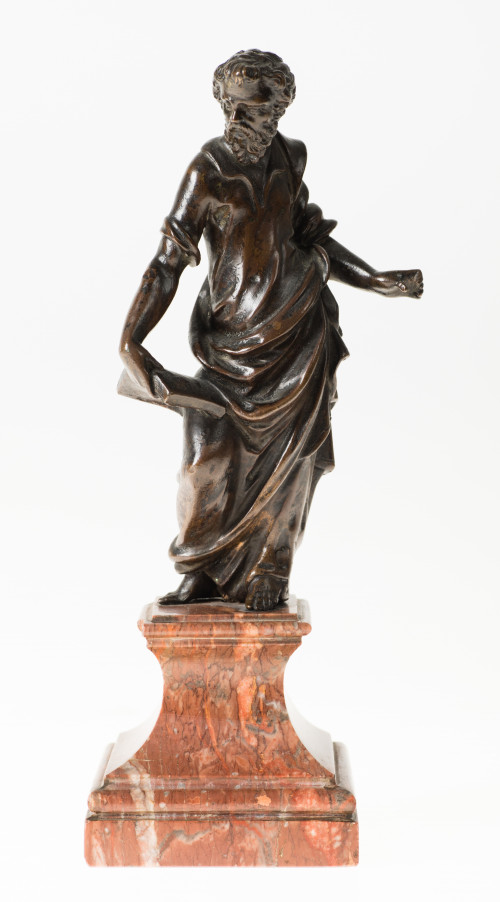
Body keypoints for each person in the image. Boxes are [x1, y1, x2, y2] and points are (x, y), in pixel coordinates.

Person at [119, 49, 423, 611]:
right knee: (204, 461)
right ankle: (200, 567)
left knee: (293, 460)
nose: (238, 119)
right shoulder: (208, 170)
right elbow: (167, 261)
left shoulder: (291, 157)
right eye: (231, 106)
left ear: (280, 109)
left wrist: (376, 280)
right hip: (228, 347)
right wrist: (130, 339)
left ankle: (272, 566)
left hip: (297, 335)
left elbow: (311, 237)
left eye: (255, 109)